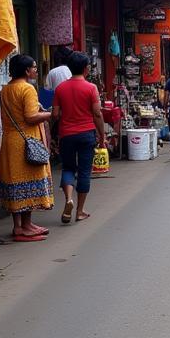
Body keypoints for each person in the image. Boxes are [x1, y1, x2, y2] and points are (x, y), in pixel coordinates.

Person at [0, 55, 54, 241]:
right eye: (34, 67)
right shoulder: (27, 89)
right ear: (25, 70)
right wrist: (49, 114)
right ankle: (25, 226)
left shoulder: (5, 90)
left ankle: (20, 225)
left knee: (16, 183)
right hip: (26, 141)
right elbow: (30, 117)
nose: (36, 70)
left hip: (10, 141)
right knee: (30, 180)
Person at [51, 51, 106, 223]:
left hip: (66, 134)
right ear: (85, 69)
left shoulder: (60, 88)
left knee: (68, 168)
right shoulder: (91, 88)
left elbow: (55, 114)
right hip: (86, 134)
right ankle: (80, 211)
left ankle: (68, 199)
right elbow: (97, 114)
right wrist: (102, 135)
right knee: (84, 171)